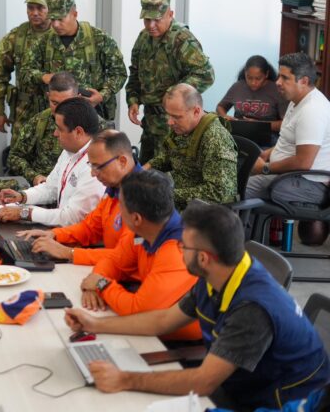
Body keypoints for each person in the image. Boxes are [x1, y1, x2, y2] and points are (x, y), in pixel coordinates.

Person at [64, 203, 330, 410]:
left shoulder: (253, 309)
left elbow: (204, 382)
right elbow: (163, 320)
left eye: (183, 246)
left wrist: (124, 379)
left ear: (203, 257)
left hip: (280, 404)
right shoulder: (218, 273)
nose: (179, 251)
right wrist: (94, 323)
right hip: (244, 385)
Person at [76, 170, 200, 340]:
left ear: (136, 219)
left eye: (121, 205)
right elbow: (114, 261)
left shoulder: (177, 252)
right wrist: (96, 280)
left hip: (181, 346)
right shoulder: (145, 231)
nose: (117, 210)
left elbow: (138, 311)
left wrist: (102, 284)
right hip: (148, 329)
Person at [19, 130, 138, 261]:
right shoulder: (114, 188)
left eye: (98, 167)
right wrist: (54, 234)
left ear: (122, 161)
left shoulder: (143, 198)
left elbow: (126, 258)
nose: (93, 174)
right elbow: (90, 228)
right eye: (91, 166)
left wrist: (68, 253)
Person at [126, 0, 215, 163]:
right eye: (147, 19)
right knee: (146, 175)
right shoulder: (144, 38)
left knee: (168, 179)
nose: (151, 25)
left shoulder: (181, 40)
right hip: (151, 122)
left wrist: (175, 94)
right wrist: (133, 99)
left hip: (174, 123)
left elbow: (206, 74)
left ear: (170, 14)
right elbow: (135, 71)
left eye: (157, 19)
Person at [0, 97, 104, 227]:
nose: (55, 134)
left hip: (81, 240)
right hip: (62, 231)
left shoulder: (96, 164)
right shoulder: (69, 151)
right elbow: (50, 187)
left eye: (60, 129)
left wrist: (24, 213)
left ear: (78, 132)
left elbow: (71, 217)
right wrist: (22, 196)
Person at [21, 0, 126, 122]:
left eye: (60, 19)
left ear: (74, 14)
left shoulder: (99, 39)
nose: (55, 25)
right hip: (56, 119)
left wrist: (102, 95)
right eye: (52, 19)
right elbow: (25, 71)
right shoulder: (44, 42)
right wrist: (43, 77)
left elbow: (119, 72)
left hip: (91, 115)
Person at [247, 52, 330, 207]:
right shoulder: (296, 100)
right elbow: (289, 140)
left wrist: (264, 168)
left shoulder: (313, 110)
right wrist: (266, 154)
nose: (277, 82)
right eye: (279, 76)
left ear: (304, 81)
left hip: (305, 181)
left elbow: (303, 162)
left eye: (285, 78)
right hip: (291, 176)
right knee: (235, 174)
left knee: (236, 188)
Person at [146, 84, 237, 210]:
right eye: (168, 114)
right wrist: (143, 170)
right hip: (178, 200)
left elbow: (219, 192)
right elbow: (169, 156)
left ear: (196, 111)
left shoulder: (216, 139)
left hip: (201, 213)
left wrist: (168, 194)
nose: (169, 122)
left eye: (176, 117)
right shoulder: (183, 127)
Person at [0, 0, 55, 137]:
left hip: (55, 109)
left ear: (50, 8)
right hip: (24, 111)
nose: (34, 12)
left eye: (40, 8)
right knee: (20, 155)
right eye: (30, 7)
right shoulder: (16, 37)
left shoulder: (60, 34)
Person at [6, 72, 77, 185]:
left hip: (77, 189)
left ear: (77, 98)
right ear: (48, 96)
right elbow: (14, 157)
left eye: (66, 103)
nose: (60, 109)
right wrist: (34, 176)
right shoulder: (39, 121)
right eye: (54, 103)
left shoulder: (92, 124)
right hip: (43, 190)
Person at [216, 55, 287, 145]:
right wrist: (224, 116)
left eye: (258, 78)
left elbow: (285, 124)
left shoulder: (277, 90)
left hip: (267, 139)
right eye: (249, 78)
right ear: (245, 73)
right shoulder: (237, 87)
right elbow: (220, 107)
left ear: (266, 74)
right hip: (239, 135)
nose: (253, 82)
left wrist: (258, 125)